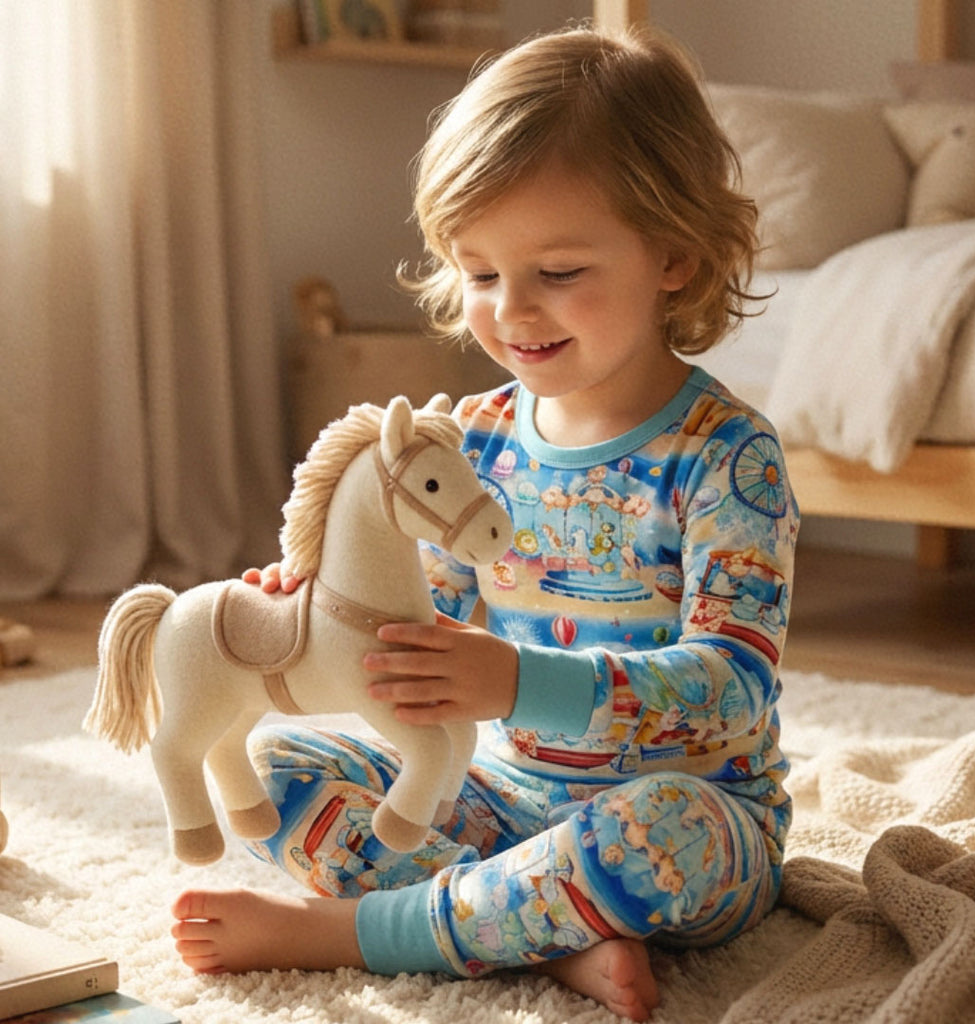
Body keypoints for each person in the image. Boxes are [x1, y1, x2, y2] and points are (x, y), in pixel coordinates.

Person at [170, 23, 799, 1023]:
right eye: (478, 273)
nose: (511, 311)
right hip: (493, 803)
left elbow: (732, 687)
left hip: (686, 823)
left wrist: (518, 679)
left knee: (661, 832)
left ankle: (358, 933)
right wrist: (315, 614)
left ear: (674, 255)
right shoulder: (472, 443)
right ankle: (544, 941)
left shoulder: (729, 457)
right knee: (273, 767)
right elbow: (422, 632)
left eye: (556, 271)